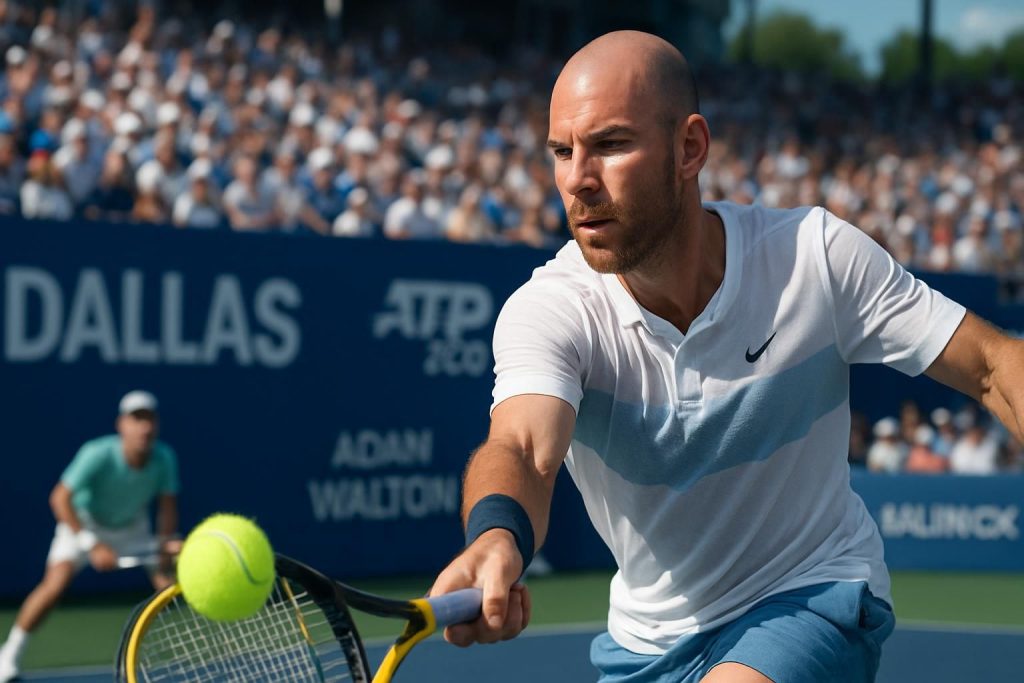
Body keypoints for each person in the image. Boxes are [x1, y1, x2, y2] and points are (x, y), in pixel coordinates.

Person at [429, 31, 1024, 683]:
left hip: (811, 596)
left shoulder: (814, 257)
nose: (578, 180)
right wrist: (496, 534)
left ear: (690, 148)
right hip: (643, 647)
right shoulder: (549, 308)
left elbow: (994, 363)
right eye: (562, 152)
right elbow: (520, 448)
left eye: (610, 145)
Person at [0, 391, 179, 683]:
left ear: (156, 425)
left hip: (133, 527)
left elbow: (168, 506)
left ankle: (190, 653)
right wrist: (92, 544)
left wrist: (165, 542)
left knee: (167, 586)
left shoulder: (165, 457)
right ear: (121, 424)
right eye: (136, 419)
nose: (144, 428)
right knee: (54, 584)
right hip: (84, 525)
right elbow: (59, 499)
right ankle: (9, 655)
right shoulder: (96, 453)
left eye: (149, 420)